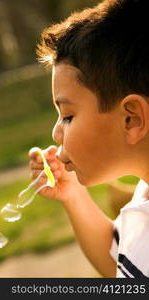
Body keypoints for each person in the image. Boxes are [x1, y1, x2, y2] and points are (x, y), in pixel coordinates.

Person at [29, 0, 149, 278]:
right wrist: (73, 195)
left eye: (67, 116)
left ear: (131, 119)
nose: (56, 132)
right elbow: (120, 263)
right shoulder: (144, 192)